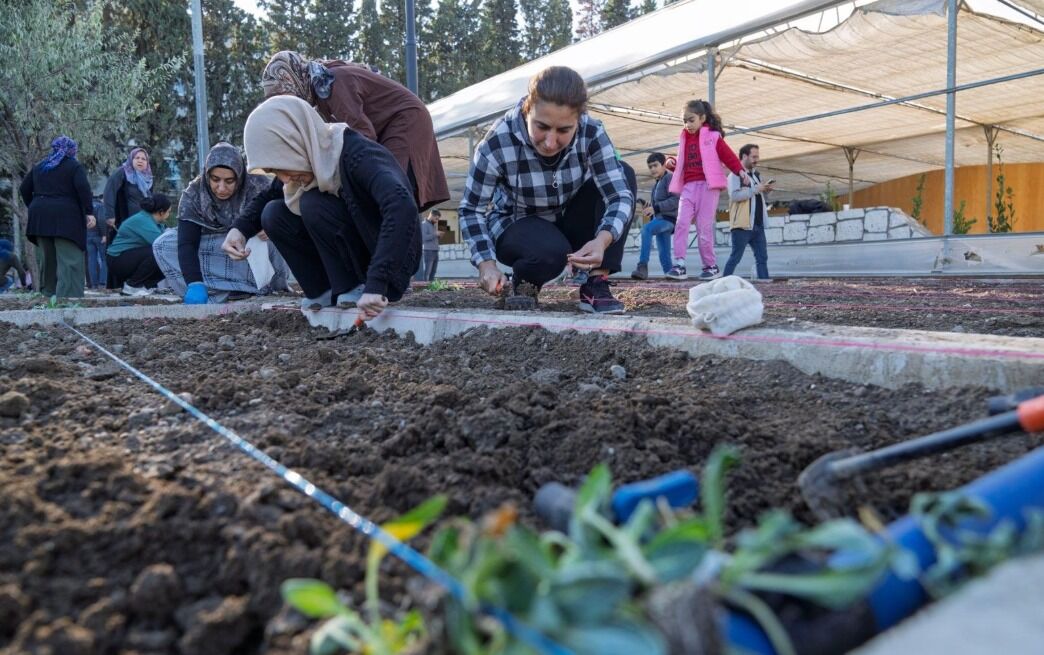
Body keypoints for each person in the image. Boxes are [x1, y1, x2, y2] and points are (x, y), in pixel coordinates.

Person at [458, 66, 636, 314]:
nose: (551, 143)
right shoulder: (496, 143)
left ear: (578, 120)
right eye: (541, 126)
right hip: (519, 223)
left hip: (569, 216)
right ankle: (526, 282)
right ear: (527, 110)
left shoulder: (592, 132)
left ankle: (596, 283)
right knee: (550, 252)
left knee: (624, 172)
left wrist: (602, 240)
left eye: (564, 130)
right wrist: (485, 264)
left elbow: (619, 195)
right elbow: (471, 209)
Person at [233, 95, 421, 321]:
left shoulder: (357, 155)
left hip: (390, 264)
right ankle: (323, 290)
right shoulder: (308, 157)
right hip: (362, 260)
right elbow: (268, 195)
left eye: (280, 166)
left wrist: (378, 281)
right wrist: (239, 230)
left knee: (312, 203)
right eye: (273, 171)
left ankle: (355, 285)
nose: (284, 178)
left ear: (295, 143)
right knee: (273, 213)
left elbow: (402, 206)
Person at [261, 51, 449, 213]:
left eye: (285, 96)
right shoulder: (320, 92)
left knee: (390, 186)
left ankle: (401, 238)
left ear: (293, 81)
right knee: (376, 190)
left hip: (405, 119)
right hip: (385, 126)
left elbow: (361, 135)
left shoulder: (333, 82)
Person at [152, 142, 288, 304]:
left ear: (239, 177)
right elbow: (187, 244)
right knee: (162, 244)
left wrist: (267, 225)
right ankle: (216, 290)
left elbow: (283, 213)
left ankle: (261, 286)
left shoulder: (258, 186)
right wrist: (194, 282)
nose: (221, 188)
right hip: (212, 244)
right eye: (215, 180)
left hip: (247, 249)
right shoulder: (193, 194)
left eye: (229, 181)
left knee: (271, 234)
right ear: (207, 175)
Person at [666, 100, 747, 281]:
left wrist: (740, 171)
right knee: (681, 223)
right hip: (688, 186)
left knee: (703, 227)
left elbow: (727, 155)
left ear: (702, 118)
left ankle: (710, 265)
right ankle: (679, 264)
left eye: (691, 120)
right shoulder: (684, 138)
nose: (687, 125)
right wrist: (673, 163)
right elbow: (684, 161)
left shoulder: (713, 136)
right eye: (684, 121)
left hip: (708, 187)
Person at [19, 136, 96, 298]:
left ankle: (49, 295)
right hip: (67, 218)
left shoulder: (40, 166)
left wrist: (35, 206)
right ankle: (69, 298)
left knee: (48, 259)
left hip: (40, 217)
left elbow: (24, 188)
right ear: (72, 150)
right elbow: (83, 189)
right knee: (70, 258)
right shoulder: (74, 166)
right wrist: (89, 212)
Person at [724, 144, 773, 281]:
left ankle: (765, 287)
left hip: (757, 224)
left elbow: (757, 197)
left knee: (762, 258)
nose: (757, 160)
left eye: (757, 157)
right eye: (754, 157)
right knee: (735, 257)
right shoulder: (735, 175)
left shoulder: (756, 175)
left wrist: (765, 191)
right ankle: (722, 284)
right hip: (742, 226)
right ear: (744, 156)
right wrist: (756, 189)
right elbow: (734, 196)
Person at [106, 194, 170, 296]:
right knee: (160, 253)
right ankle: (132, 286)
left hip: (127, 258)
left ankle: (143, 286)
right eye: (168, 212)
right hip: (117, 260)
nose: (168, 215)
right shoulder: (143, 220)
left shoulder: (153, 221)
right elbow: (162, 243)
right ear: (161, 212)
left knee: (168, 257)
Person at [631, 152, 678, 280]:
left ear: (664, 165)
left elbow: (675, 200)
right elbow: (656, 206)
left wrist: (655, 208)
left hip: (667, 220)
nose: (652, 169)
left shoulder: (669, 178)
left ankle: (642, 266)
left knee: (646, 229)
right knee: (663, 253)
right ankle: (670, 274)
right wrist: (647, 206)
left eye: (655, 165)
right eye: (650, 167)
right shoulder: (657, 184)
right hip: (659, 220)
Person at [86, 194, 108, 289]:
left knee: (91, 259)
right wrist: (104, 234)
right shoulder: (100, 206)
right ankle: (103, 282)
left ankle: (93, 283)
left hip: (88, 235)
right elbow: (101, 219)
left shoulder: (86, 207)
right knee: (104, 259)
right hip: (99, 235)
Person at [416, 208, 442, 282]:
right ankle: (425, 286)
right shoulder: (424, 224)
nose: (437, 221)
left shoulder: (433, 225)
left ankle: (431, 286)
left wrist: (438, 236)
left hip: (435, 251)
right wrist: (435, 234)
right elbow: (423, 238)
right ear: (432, 215)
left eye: (438, 219)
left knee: (433, 271)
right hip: (428, 251)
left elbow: (432, 237)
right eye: (436, 218)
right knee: (428, 271)